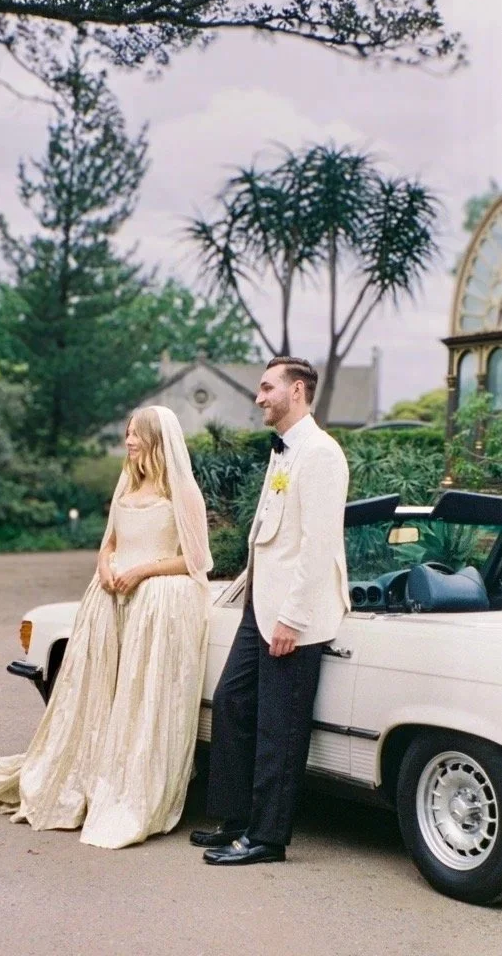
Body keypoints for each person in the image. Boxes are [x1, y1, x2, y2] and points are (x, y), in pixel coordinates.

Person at [0, 405, 212, 850]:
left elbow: (196, 561)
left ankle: (131, 785)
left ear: (155, 438)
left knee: (139, 697)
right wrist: (106, 565)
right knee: (99, 696)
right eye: (127, 434)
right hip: (110, 601)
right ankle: (85, 774)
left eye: (135, 435)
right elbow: (109, 541)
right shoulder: (129, 484)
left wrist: (142, 572)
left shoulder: (182, 492)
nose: (128, 441)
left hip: (155, 605)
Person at [190, 357, 350, 866]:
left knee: (280, 727)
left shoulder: (322, 454)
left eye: (266, 388)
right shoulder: (285, 452)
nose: (258, 397)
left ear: (297, 390)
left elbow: (317, 546)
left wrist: (293, 619)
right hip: (258, 606)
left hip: (292, 616)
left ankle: (266, 838)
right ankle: (235, 819)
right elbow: (268, 538)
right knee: (232, 704)